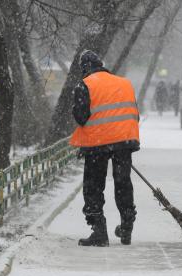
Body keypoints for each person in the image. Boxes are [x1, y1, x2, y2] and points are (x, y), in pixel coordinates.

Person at [70, 50, 140, 247]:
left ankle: (99, 232)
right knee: (123, 183)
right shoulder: (124, 83)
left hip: (97, 144)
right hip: (124, 141)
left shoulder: (85, 84)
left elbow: (81, 117)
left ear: (84, 68)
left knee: (93, 185)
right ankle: (127, 226)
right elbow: (134, 113)